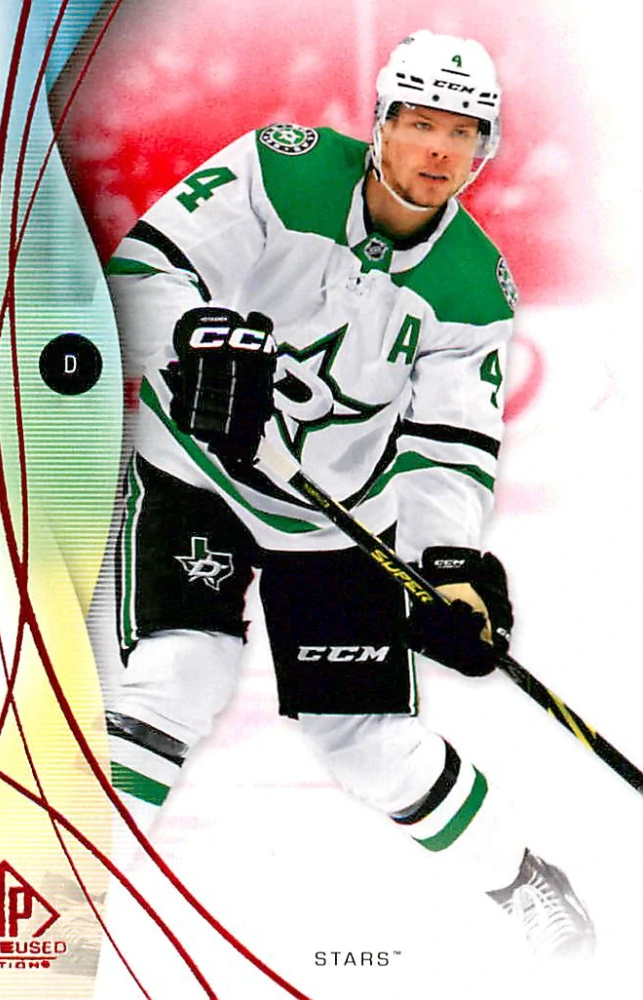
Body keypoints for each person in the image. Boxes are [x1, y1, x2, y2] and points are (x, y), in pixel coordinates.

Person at [103, 28, 594, 959]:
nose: (439, 150)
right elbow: (144, 269)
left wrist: (450, 571)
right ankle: (68, 890)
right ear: (381, 123)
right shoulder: (279, 168)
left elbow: (450, 444)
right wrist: (197, 340)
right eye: (421, 124)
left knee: (367, 740)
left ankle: (523, 880)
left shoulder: (474, 287)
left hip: (335, 517)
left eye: (463, 133)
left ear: (484, 149)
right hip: (197, 470)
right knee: (179, 672)